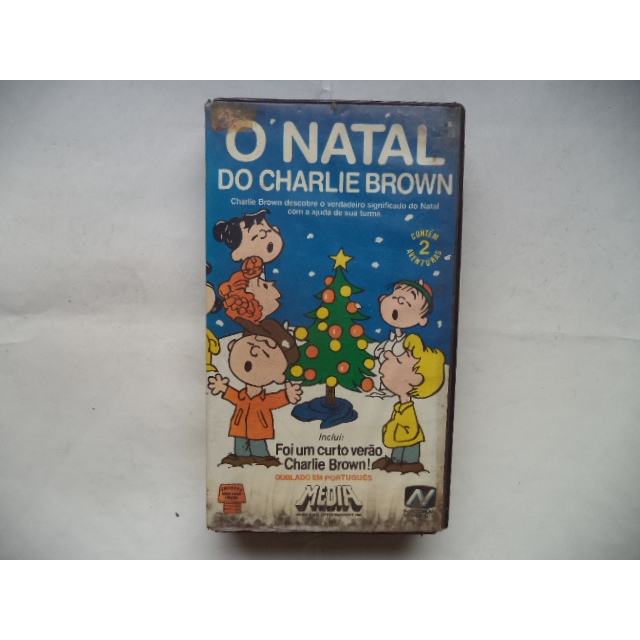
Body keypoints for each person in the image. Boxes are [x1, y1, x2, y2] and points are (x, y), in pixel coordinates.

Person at [208, 319, 301, 467]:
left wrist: (287, 396)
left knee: (258, 445)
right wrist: (223, 388)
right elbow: (234, 396)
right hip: (239, 427)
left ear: (279, 376)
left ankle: (261, 458)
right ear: (233, 346)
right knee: (240, 444)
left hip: (259, 429)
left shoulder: (264, 400)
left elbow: (275, 400)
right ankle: (241, 457)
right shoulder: (242, 396)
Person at [371, 334, 445, 474]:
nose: (390, 356)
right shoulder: (401, 406)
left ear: (415, 379)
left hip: (409, 442)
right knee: (397, 455)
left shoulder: (408, 410)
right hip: (400, 441)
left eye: (399, 360)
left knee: (408, 458)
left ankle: (408, 465)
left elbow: (410, 431)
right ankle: (396, 462)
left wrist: (392, 430)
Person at [370, 279, 434, 397]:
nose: (397, 303)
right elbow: (381, 350)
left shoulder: (405, 345)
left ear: (422, 320)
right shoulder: (392, 339)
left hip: (392, 384)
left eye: (404, 303)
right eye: (394, 297)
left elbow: (396, 358)